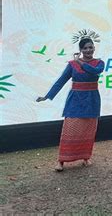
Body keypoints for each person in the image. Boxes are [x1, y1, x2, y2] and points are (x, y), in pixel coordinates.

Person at [36, 36, 104, 172]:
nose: (88, 50)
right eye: (85, 48)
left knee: (88, 130)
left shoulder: (99, 63)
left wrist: (79, 61)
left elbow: (95, 72)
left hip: (92, 100)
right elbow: (61, 81)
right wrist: (47, 96)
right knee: (69, 129)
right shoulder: (72, 64)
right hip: (75, 100)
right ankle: (61, 161)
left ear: (94, 48)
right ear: (80, 50)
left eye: (90, 47)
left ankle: (85, 157)